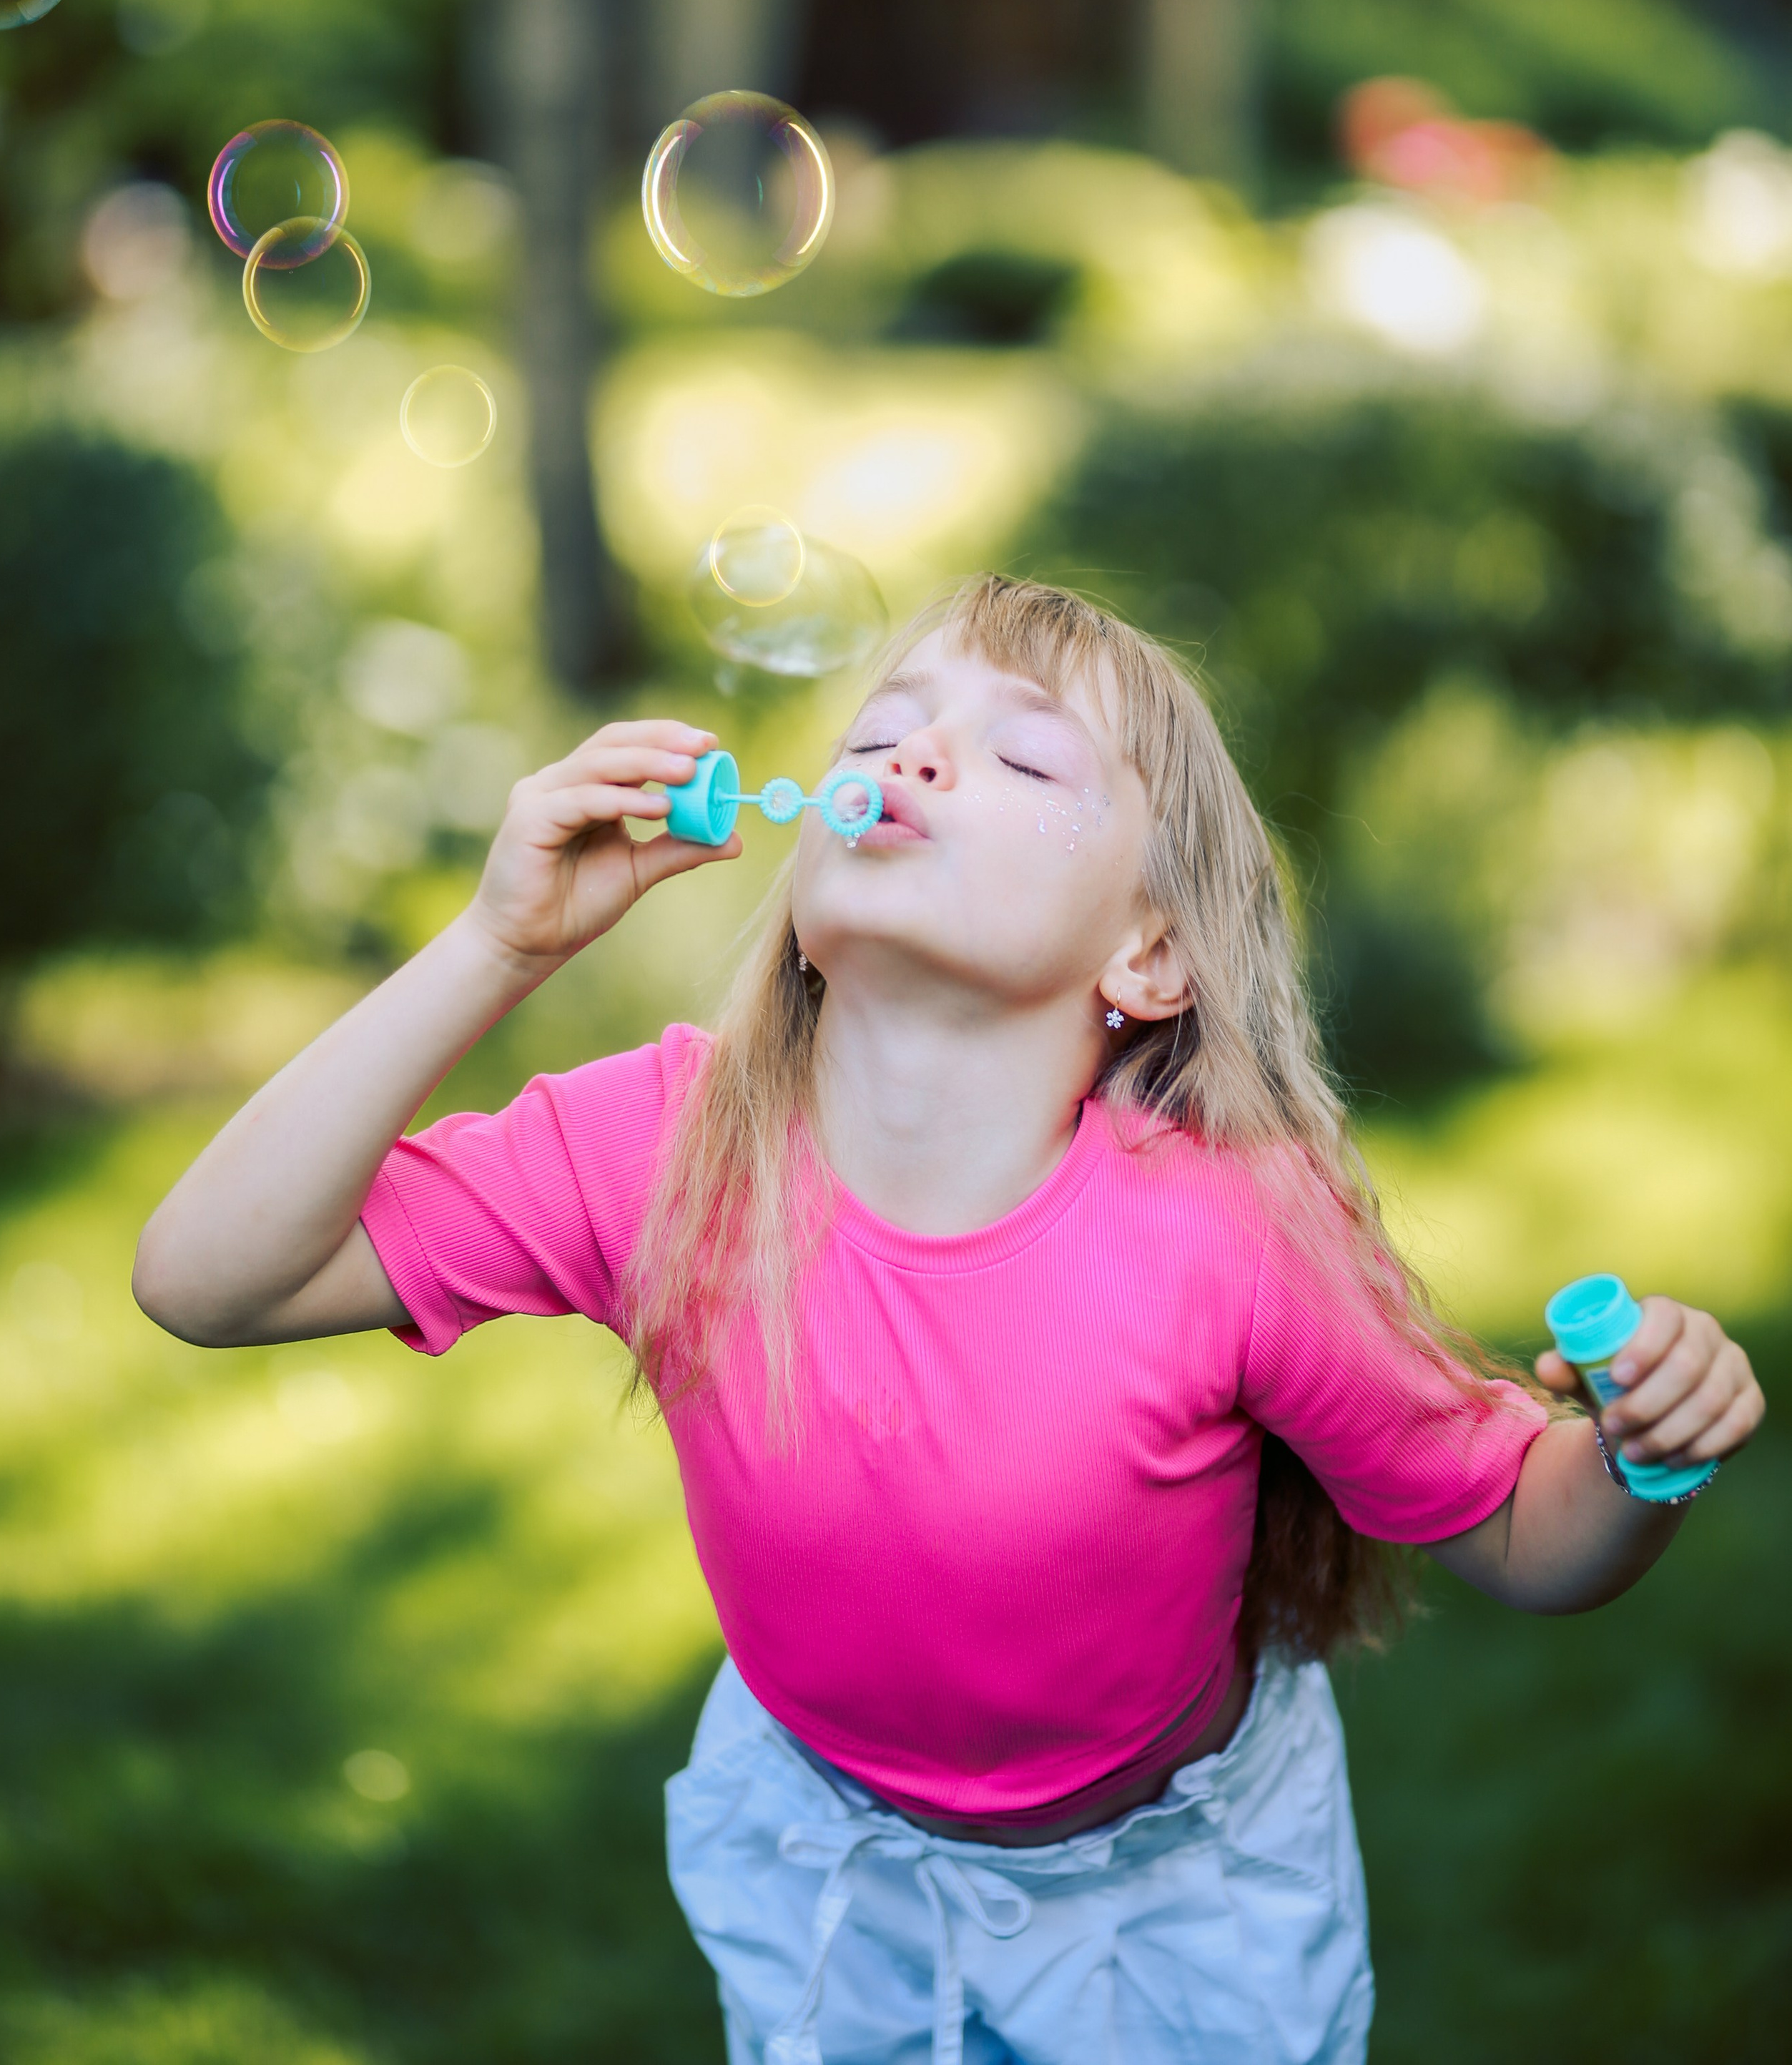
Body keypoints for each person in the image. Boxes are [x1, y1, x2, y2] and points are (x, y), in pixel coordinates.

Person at [134, 574, 1766, 2065]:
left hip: (1174, 1904)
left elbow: (1514, 1532)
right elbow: (210, 1280)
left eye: (1027, 763)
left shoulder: (1231, 1234)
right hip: (831, 1855)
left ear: (1147, 953)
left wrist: (1636, 1459)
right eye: (886, 731)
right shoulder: (663, 1149)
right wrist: (500, 944)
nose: (913, 762)